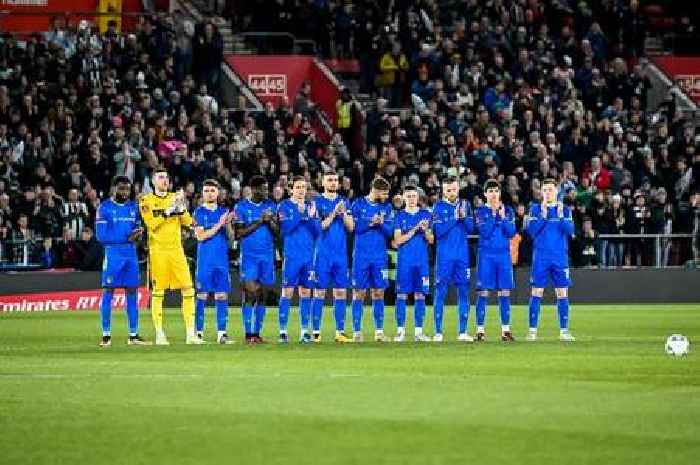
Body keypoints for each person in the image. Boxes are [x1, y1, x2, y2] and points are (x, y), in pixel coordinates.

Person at [139, 168, 199, 345]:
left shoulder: (175, 198)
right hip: (158, 252)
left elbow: (188, 222)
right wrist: (168, 211)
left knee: (188, 289)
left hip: (177, 251)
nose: (164, 180)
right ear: (153, 181)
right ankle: (159, 334)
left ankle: (190, 334)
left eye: (166, 177)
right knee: (158, 292)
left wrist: (181, 208)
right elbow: (151, 225)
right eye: (160, 177)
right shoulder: (146, 200)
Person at [95, 176, 149, 347]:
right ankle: (106, 335)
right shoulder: (104, 208)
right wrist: (127, 238)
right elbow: (101, 236)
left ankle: (133, 335)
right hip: (113, 256)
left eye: (127, 189)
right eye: (121, 189)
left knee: (132, 293)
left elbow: (137, 231)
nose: (125, 193)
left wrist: (138, 235)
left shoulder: (134, 208)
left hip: (131, 256)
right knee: (108, 292)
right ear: (114, 189)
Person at [524, 179, 576, 342]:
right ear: (541, 192)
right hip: (541, 258)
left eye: (551, 189)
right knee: (536, 292)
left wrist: (560, 217)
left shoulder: (565, 210)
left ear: (556, 191)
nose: (548, 192)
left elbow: (570, 231)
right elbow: (531, 232)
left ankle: (564, 331)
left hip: (560, 258)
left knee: (562, 293)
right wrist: (544, 216)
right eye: (545, 190)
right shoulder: (535, 209)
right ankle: (532, 331)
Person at [311, 172, 355, 343]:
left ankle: (340, 332)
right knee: (319, 292)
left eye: (336, 180)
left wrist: (343, 214)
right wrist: (333, 213)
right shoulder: (316, 203)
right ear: (323, 182)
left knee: (341, 293)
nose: (333, 183)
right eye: (330, 180)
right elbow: (318, 228)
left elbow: (351, 227)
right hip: (322, 254)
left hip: (340, 255)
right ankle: (316, 333)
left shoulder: (344, 202)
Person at [234, 175, 278, 344]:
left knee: (263, 296)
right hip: (249, 257)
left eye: (267, 188)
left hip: (267, 256)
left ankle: (256, 334)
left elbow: (277, 232)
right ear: (254, 190)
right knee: (251, 293)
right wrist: (261, 221)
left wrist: (270, 222)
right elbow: (239, 233)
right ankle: (248, 333)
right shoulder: (241, 207)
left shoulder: (271, 206)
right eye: (264, 189)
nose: (267, 191)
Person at [431, 177, 475, 342]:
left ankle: (462, 332)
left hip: (462, 256)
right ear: (443, 191)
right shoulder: (438, 207)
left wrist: (464, 218)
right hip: (444, 257)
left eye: (454, 189)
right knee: (440, 291)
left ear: (458, 189)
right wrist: (455, 217)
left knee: (464, 291)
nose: (451, 192)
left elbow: (471, 229)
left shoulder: (465, 205)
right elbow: (438, 232)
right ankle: (438, 332)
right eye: (448, 190)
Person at [277, 176, 320, 343]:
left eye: (304, 187)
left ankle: (304, 331)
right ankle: (283, 331)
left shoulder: (311, 206)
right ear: (291, 189)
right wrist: (300, 215)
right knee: (287, 292)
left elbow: (317, 231)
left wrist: (309, 218)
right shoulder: (284, 206)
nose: (302, 190)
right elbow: (285, 229)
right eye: (298, 187)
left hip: (308, 256)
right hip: (292, 256)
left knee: (305, 292)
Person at [350, 177, 394, 342]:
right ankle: (356, 332)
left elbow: (390, 232)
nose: (386, 196)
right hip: (361, 256)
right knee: (359, 293)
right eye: (384, 193)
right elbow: (354, 229)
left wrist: (381, 224)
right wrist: (370, 223)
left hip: (379, 257)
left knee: (378, 293)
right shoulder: (358, 204)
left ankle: (379, 332)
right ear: (375, 190)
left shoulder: (387, 207)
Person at [193, 179, 235, 345]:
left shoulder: (224, 211)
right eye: (206, 191)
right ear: (202, 194)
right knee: (202, 295)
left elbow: (231, 239)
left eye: (212, 190)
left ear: (218, 193)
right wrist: (220, 223)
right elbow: (201, 236)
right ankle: (198, 333)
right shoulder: (198, 213)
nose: (209, 193)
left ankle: (222, 334)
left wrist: (229, 224)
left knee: (222, 295)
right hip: (205, 261)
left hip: (221, 261)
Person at [475, 180, 516, 342]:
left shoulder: (508, 210)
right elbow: (484, 232)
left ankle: (505, 331)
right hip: (486, 255)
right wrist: (494, 215)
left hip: (503, 256)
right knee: (483, 292)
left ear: (499, 193)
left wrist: (503, 218)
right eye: (490, 191)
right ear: (485, 194)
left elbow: (511, 232)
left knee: (504, 291)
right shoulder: (480, 212)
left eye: (496, 191)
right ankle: (480, 331)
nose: (493, 194)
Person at [393, 185, 433, 342]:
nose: (411, 199)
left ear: (418, 198)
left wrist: (426, 231)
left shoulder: (426, 215)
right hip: (405, 262)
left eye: (413, 196)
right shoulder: (399, 216)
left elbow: (431, 240)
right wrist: (415, 229)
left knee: (420, 295)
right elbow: (397, 241)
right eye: (408, 196)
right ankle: (400, 331)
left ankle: (418, 332)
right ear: (403, 198)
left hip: (421, 261)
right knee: (401, 294)